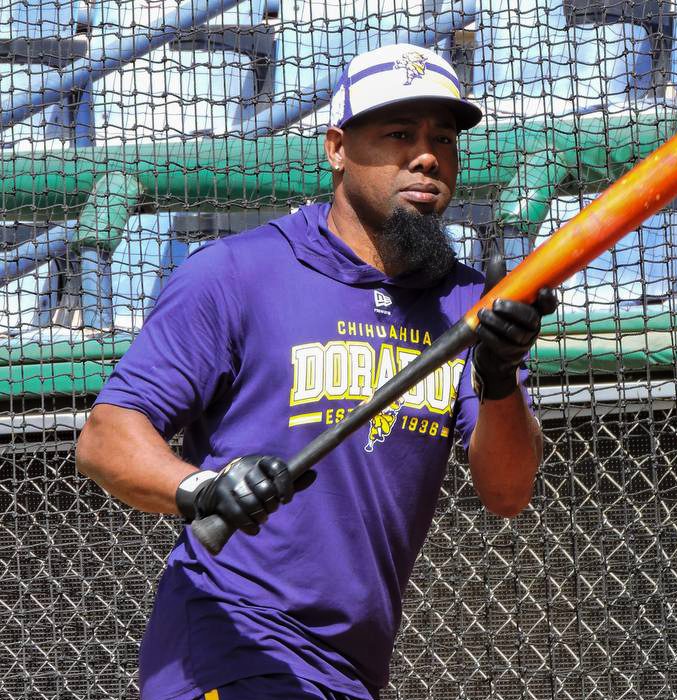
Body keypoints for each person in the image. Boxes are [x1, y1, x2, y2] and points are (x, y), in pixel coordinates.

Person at [75, 44, 555, 700]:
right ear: (336, 149)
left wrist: (499, 377)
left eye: (442, 139)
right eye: (399, 134)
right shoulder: (236, 274)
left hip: (349, 668)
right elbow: (105, 436)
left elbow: (508, 492)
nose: (426, 157)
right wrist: (203, 489)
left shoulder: (468, 305)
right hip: (229, 643)